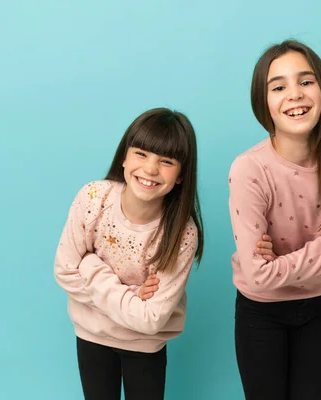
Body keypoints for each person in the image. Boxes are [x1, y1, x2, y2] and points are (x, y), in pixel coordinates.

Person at [228, 40, 321, 399]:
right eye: (278, 87)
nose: (294, 95)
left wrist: (282, 261)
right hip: (260, 314)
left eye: (306, 82)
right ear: (263, 102)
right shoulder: (249, 169)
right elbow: (259, 276)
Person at [54, 108, 203, 400]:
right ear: (124, 157)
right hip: (91, 336)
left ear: (181, 175)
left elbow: (151, 319)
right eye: (141, 154)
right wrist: (133, 293)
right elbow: (64, 271)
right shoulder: (94, 198)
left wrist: (91, 267)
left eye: (166, 161)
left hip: (144, 347)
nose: (150, 169)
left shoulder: (182, 233)